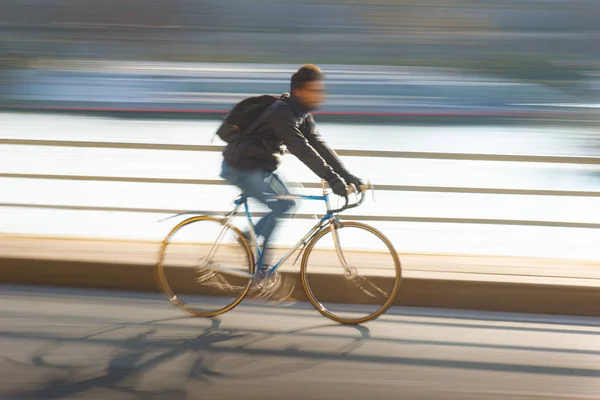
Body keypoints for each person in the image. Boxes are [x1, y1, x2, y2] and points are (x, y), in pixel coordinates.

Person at [220, 64, 364, 285]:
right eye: (315, 90)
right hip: (239, 168)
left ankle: (247, 238)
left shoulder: (301, 114)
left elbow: (318, 144)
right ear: (300, 91)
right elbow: (301, 149)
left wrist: (347, 175)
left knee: (288, 203)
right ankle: (262, 271)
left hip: (259, 167)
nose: (320, 94)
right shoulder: (281, 113)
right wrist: (332, 179)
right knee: (280, 206)